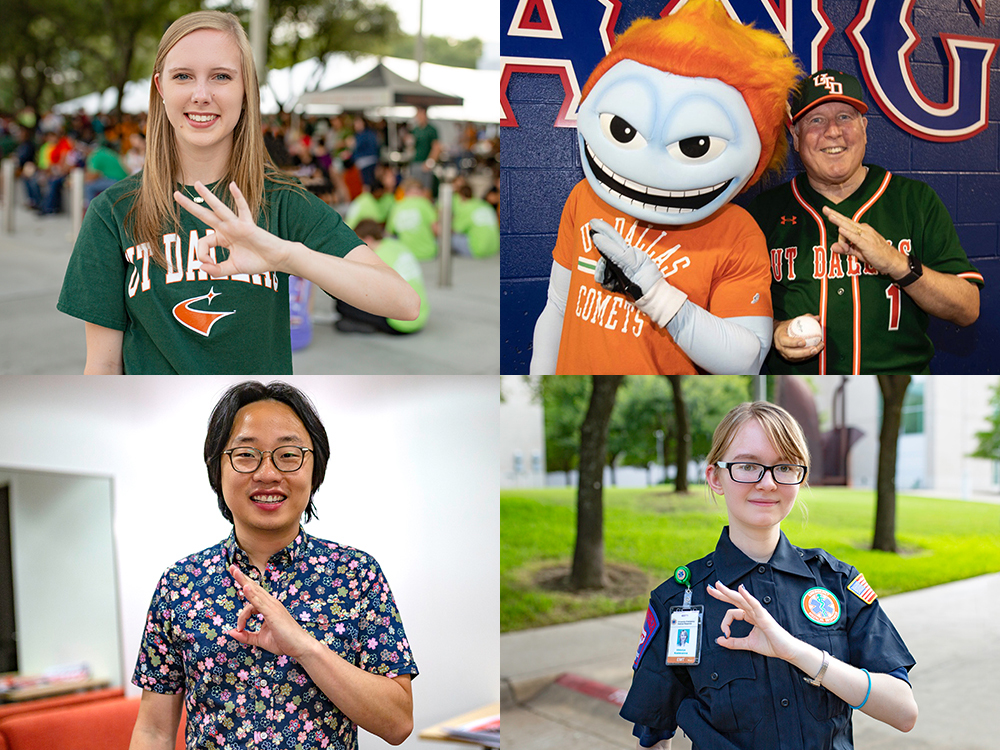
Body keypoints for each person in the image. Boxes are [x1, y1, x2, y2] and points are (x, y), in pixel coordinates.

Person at [56, 11, 419, 374]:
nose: (201, 95)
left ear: (245, 89)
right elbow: (102, 366)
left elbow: (404, 303)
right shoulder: (113, 211)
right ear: (161, 88)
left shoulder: (283, 200)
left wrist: (286, 257)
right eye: (183, 76)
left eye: (221, 77)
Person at [129, 381, 417, 750]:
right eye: (246, 455)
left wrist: (305, 647)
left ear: (316, 468)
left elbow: (397, 724)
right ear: (217, 468)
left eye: (288, 454)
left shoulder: (356, 574)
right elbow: (154, 731)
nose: (267, 474)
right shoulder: (180, 583)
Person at [620, 401, 917, 749]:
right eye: (748, 466)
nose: (767, 483)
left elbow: (903, 712)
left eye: (784, 467)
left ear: (800, 476)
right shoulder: (678, 602)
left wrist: (795, 652)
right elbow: (654, 736)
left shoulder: (837, 582)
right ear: (715, 477)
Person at [748, 70, 983, 374]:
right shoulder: (764, 211)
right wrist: (775, 330)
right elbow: (737, 314)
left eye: (845, 117)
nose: (833, 131)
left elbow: (968, 308)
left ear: (864, 128)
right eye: (816, 120)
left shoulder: (914, 200)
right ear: (794, 136)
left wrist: (897, 263)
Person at [335, 219, 429, 335]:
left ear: (368, 239)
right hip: (419, 315)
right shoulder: (396, 245)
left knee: (342, 302)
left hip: (399, 323)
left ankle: (369, 325)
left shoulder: (376, 257)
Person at [386, 179, 438, 261]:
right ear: (421, 191)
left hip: (406, 255)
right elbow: (436, 230)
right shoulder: (424, 203)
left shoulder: (396, 207)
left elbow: (389, 232)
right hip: (427, 253)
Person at [451, 180, 499, 258]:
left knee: (449, 238)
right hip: (494, 248)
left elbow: (455, 229)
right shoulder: (484, 204)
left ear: (461, 197)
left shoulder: (466, 208)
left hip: (478, 249)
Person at [407, 106, 440, 193]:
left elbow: (436, 147)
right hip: (415, 162)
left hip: (425, 163)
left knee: (425, 188)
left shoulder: (431, 130)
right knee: (414, 186)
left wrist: (430, 162)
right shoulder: (415, 130)